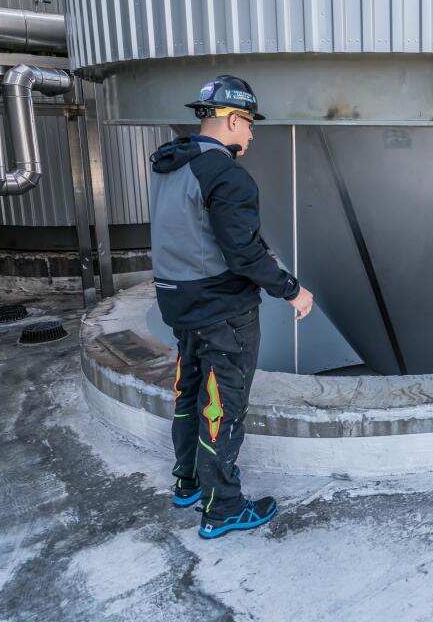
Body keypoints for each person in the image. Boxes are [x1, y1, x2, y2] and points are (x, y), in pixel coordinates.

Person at [149, 75, 314, 539]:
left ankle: (187, 483)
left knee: (188, 392)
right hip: (223, 311)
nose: (252, 133)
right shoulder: (227, 174)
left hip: (179, 302)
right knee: (221, 406)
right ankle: (222, 507)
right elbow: (243, 255)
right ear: (233, 119)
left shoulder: (170, 164)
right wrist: (291, 290)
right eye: (250, 124)